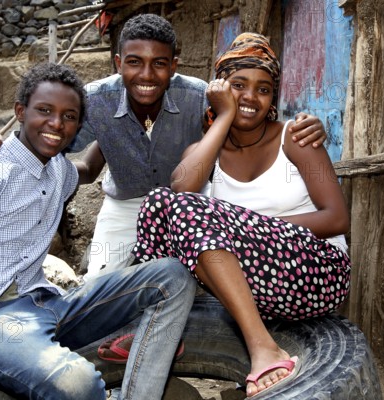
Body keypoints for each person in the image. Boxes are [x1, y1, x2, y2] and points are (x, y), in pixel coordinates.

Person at [0, 63, 196, 400]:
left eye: (70, 117)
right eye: (44, 111)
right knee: (79, 384)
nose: (57, 124)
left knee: (172, 276)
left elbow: (86, 169)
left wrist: (126, 118)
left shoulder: (56, 170)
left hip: (43, 303)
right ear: (20, 112)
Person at [0, 14, 328, 277]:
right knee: (98, 283)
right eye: (134, 62)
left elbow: (247, 122)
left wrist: (308, 123)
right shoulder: (94, 101)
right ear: (118, 62)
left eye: (159, 64)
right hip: (125, 204)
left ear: (174, 64)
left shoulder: (199, 97)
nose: (147, 75)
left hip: (189, 208)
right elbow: (47, 138)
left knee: (183, 284)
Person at [130, 33, 351, 398]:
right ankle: (156, 328)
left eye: (263, 89)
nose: (251, 97)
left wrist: (246, 230)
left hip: (316, 273)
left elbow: (337, 218)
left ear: (272, 99)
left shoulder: (295, 138)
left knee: (188, 209)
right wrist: (225, 116)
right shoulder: (204, 151)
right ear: (218, 90)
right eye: (238, 86)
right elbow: (181, 188)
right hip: (256, 280)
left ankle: (264, 348)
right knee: (159, 202)